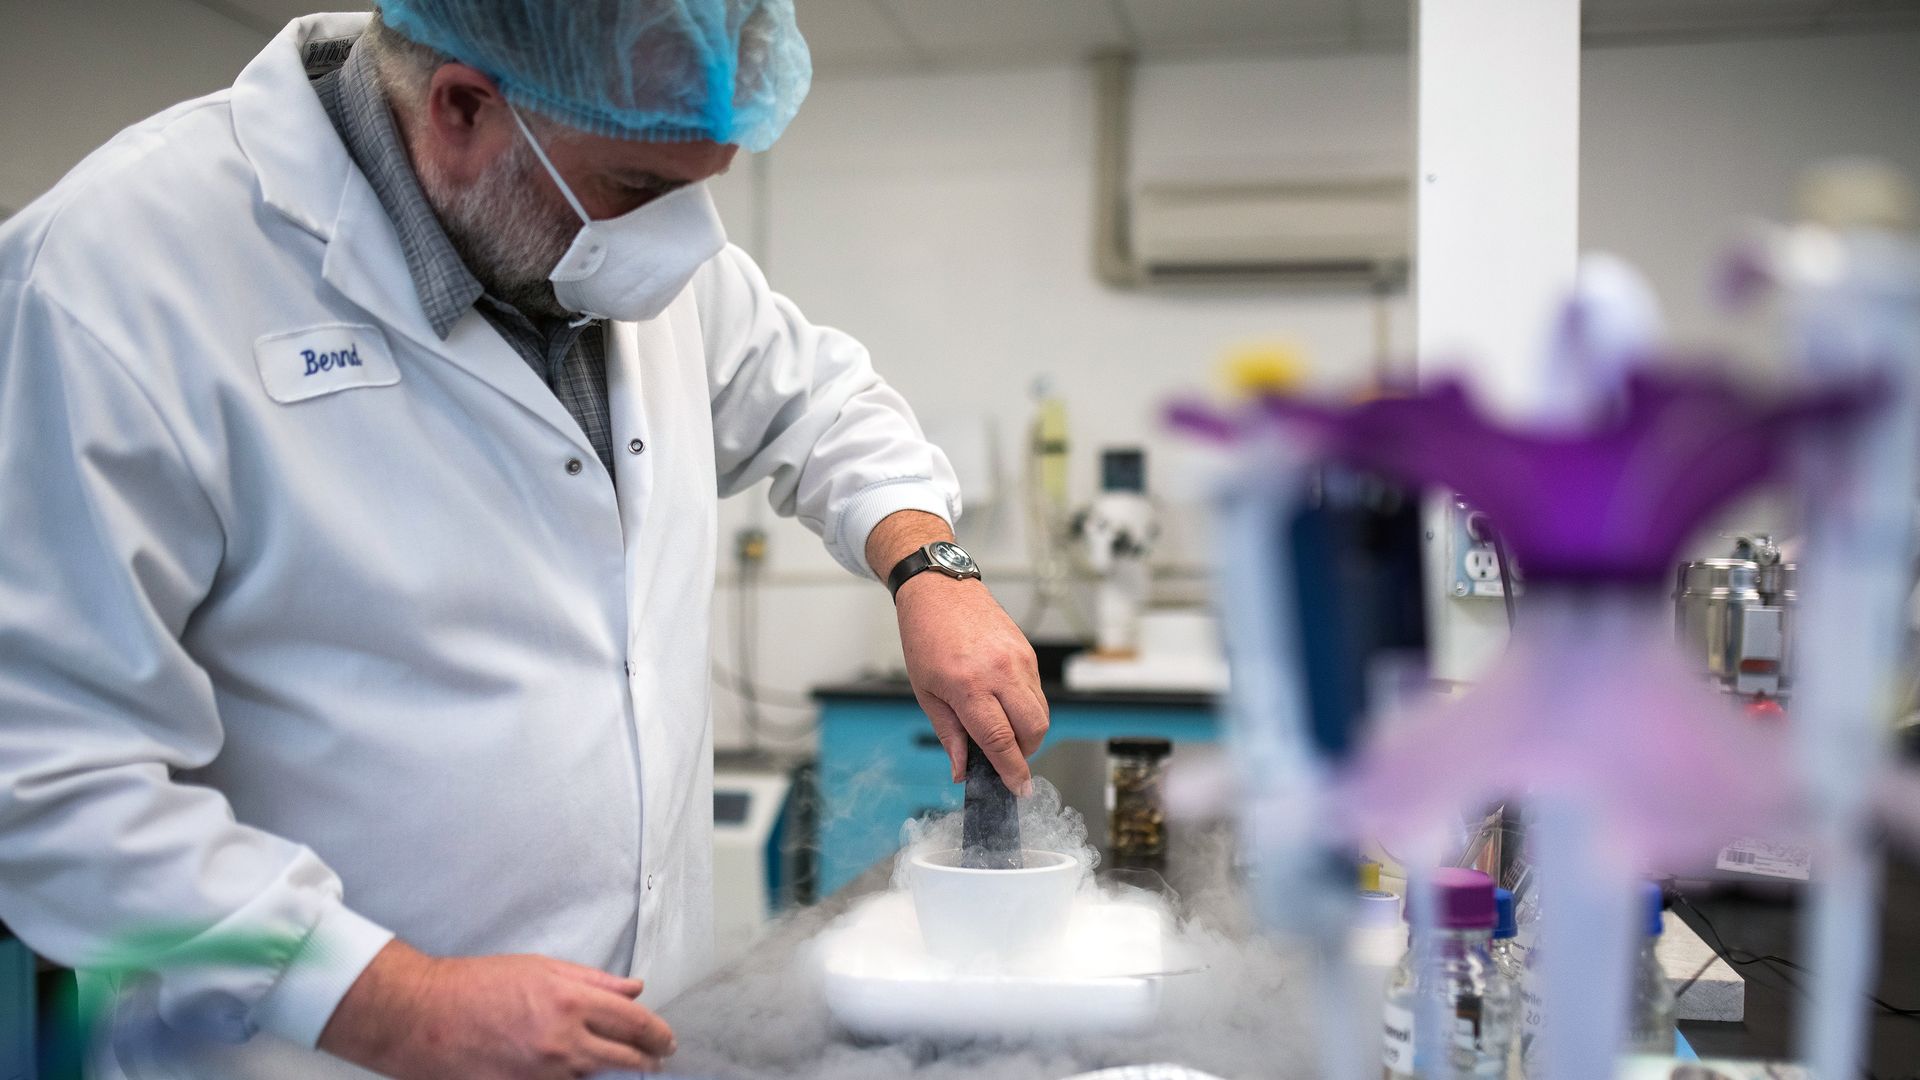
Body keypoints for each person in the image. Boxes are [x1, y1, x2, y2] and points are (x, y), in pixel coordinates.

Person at [0, 3, 1047, 1077]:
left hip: (634, 1040)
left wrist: (930, 565)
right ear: (462, 108)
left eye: (702, 187)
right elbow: (44, 777)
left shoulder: (620, 238)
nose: (683, 241)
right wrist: (387, 999)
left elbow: (819, 401)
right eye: (640, 189)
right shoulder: (115, 279)